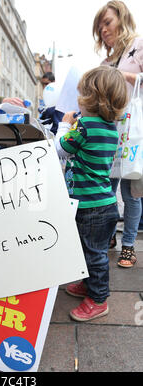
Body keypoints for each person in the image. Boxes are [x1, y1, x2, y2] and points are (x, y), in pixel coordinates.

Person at [55, 65, 128, 321]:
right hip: (102, 203)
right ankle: (89, 286)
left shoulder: (84, 126)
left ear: (91, 97)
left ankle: (98, 299)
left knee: (94, 255)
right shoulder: (110, 127)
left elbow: (60, 149)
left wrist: (64, 125)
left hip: (90, 206)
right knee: (89, 250)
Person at [93, 0, 143, 268]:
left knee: (131, 190)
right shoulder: (105, 60)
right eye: (100, 26)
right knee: (106, 189)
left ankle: (128, 246)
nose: (103, 30)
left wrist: (124, 75)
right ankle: (109, 236)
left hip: (134, 131)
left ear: (122, 20)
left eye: (107, 22)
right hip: (109, 130)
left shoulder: (139, 46)